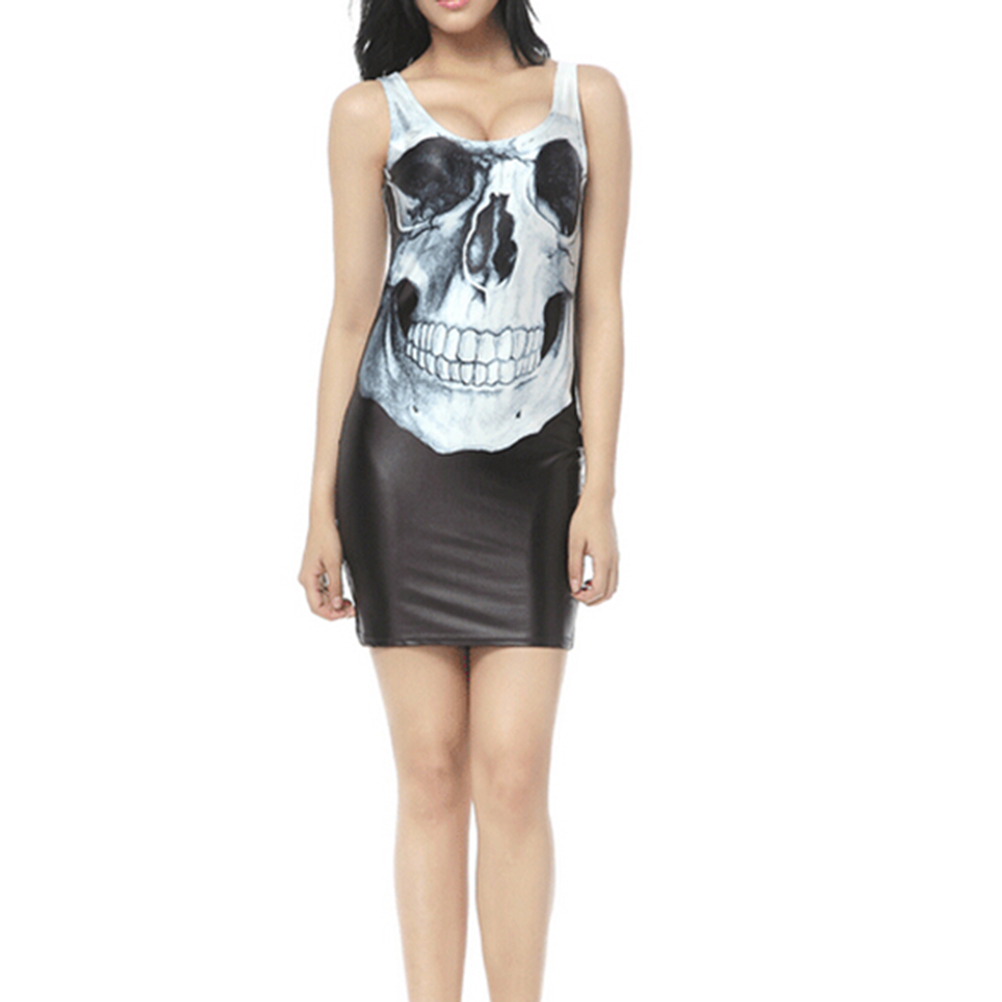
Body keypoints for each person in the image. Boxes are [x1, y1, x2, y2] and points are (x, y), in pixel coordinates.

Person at [299, 0, 629, 997]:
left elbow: (601, 305)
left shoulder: (589, 99)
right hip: (399, 470)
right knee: (432, 771)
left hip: (536, 472)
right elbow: (352, 312)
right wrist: (319, 506)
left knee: (514, 773)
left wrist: (600, 491)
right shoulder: (368, 113)